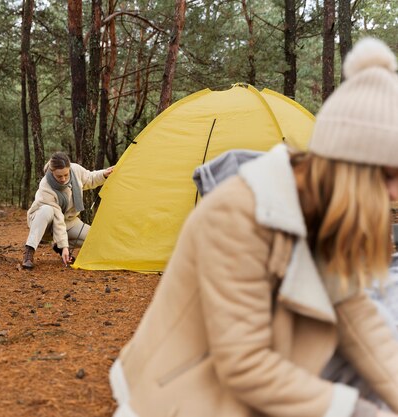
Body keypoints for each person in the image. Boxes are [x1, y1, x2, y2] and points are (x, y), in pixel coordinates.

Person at [109, 37, 398, 417]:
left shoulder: (325, 214)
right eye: (390, 176)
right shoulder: (237, 214)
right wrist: (358, 412)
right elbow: (244, 363)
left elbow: (359, 318)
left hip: (274, 372)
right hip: (189, 396)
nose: (395, 193)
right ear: (350, 165)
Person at [22, 152, 113, 269]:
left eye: (66, 174)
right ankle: (29, 251)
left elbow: (89, 178)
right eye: (59, 176)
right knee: (47, 210)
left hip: (68, 221)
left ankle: (58, 246)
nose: (63, 179)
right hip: (45, 224)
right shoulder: (46, 186)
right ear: (52, 171)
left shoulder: (75, 170)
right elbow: (57, 218)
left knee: (95, 238)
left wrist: (104, 174)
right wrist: (65, 247)